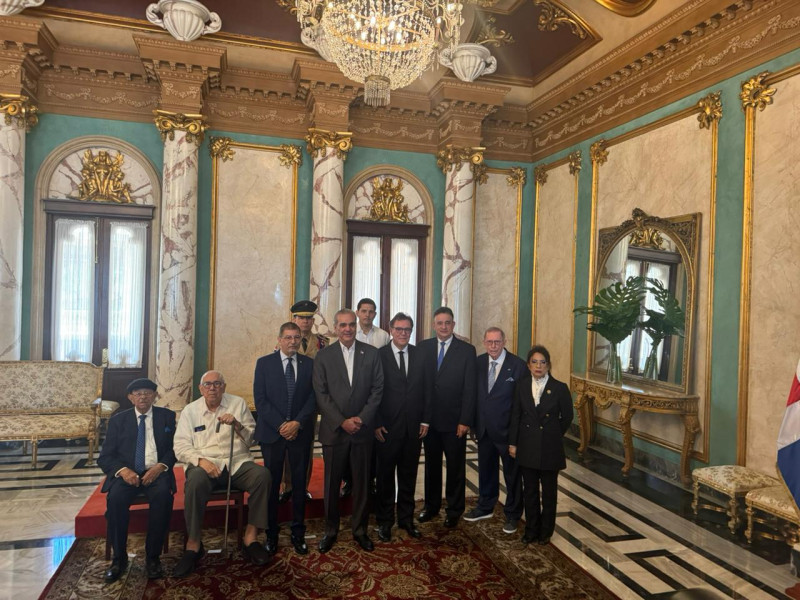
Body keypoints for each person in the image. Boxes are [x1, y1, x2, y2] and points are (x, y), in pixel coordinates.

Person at [173, 370, 271, 576]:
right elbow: (180, 446)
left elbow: (252, 439)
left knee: (262, 476)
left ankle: (250, 538)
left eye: (217, 384)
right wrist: (200, 461)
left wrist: (237, 425)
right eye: (207, 384)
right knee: (195, 481)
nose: (212, 388)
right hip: (204, 464)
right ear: (200, 388)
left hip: (236, 462)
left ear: (224, 387)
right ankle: (193, 544)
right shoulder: (190, 411)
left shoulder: (238, 404)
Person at [313, 308, 383, 553]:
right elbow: (321, 394)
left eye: (351, 324)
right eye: (342, 325)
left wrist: (361, 419)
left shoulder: (372, 354)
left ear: (356, 326)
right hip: (335, 431)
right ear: (335, 327)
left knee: (362, 483)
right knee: (332, 484)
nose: (347, 329)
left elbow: (377, 391)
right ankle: (330, 531)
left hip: (362, 432)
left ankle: (360, 530)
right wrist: (342, 421)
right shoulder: (324, 356)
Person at [97, 378, 176, 582]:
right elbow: (105, 457)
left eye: (147, 393)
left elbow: (174, 449)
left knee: (163, 499)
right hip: (127, 474)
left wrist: (160, 467)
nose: (143, 397)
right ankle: (119, 559)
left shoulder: (167, 417)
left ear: (154, 396)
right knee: (115, 501)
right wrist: (123, 471)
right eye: (138, 393)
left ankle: (153, 558)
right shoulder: (118, 421)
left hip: (156, 472)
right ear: (130, 398)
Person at [253, 322, 316, 556]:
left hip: (300, 433)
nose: (292, 341)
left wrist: (297, 423)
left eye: (296, 338)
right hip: (273, 434)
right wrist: (282, 425)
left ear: (301, 340)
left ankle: (298, 532)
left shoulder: (310, 364)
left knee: (299, 485)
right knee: (272, 485)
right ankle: (271, 533)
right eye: (288, 337)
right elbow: (260, 400)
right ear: (279, 339)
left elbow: (313, 397)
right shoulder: (264, 364)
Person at [418, 306, 476, 528]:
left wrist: (465, 420)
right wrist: (421, 418)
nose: (443, 326)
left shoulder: (466, 350)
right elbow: (419, 385)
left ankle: (454, 509)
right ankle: (430, 507)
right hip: (429, 421)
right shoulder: (422, 348)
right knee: (431, 466)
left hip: (455, 422)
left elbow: (470, 389)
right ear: (434, 325)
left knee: (455, 467)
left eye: (447, 323)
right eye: (440, 323)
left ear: (453, 325)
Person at [508, 345, 573, 546]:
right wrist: (513, 443)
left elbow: (567, 417)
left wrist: (552, 434)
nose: (538, 366)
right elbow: (516, 416)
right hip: (527, 445)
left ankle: (545, 532)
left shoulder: (560, 388)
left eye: (542, 362)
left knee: (549, 492)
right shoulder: (521, 385)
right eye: (534, 362)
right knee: (530, 491)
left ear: (548, 365)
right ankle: (531, 530)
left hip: (550, 448)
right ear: (528, 365)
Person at [464, 327, 526, 534]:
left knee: (512, 475)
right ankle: (485, 506)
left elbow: (521, 404)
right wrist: (473, 423)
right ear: (483, 341)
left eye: (497, 342)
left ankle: (512, 514)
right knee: (486, 471)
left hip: (508, 432)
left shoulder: (517, 366)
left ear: (504, 341)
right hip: (484, 430)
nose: (493, 346)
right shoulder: (478, 363)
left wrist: (516, 437)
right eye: (489, 342)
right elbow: (473, 394)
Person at [374, 312, 429, 542]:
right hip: (387, 428)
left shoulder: (419, 354)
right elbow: (373, 390)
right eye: (399, 329)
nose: (403, 333)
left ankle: (406, 519)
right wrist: (375, 423)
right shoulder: (379, 355)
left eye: (407, 329)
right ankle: (385, 522)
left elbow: (427, 390)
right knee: (385, 478)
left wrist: (425, 420)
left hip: (413, 429)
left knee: (408, 476)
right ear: (391, 329)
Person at [278, 299, 328, 504]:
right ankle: (287, 486)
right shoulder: (285, 341)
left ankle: (303, 486)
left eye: (309, 318)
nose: (305, 322)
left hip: (312, 401)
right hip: (289, 400)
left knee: (307, 446)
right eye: (301, 318)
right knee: (286, 446)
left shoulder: (323, 342)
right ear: (294, 318)